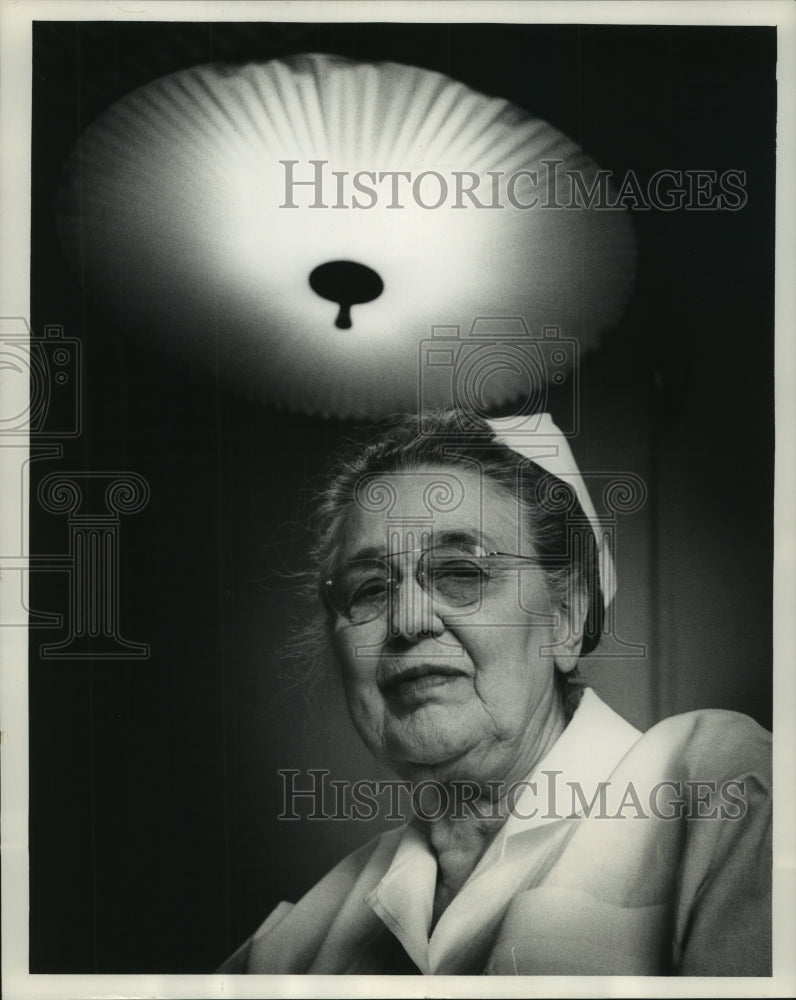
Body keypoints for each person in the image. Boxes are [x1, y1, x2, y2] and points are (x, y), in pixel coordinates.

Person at [220, 409, 771, 976]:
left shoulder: (716, 788)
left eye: (461, 571)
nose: (408, 621)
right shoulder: (299, 941)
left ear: (565, 617)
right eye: (369, 589)